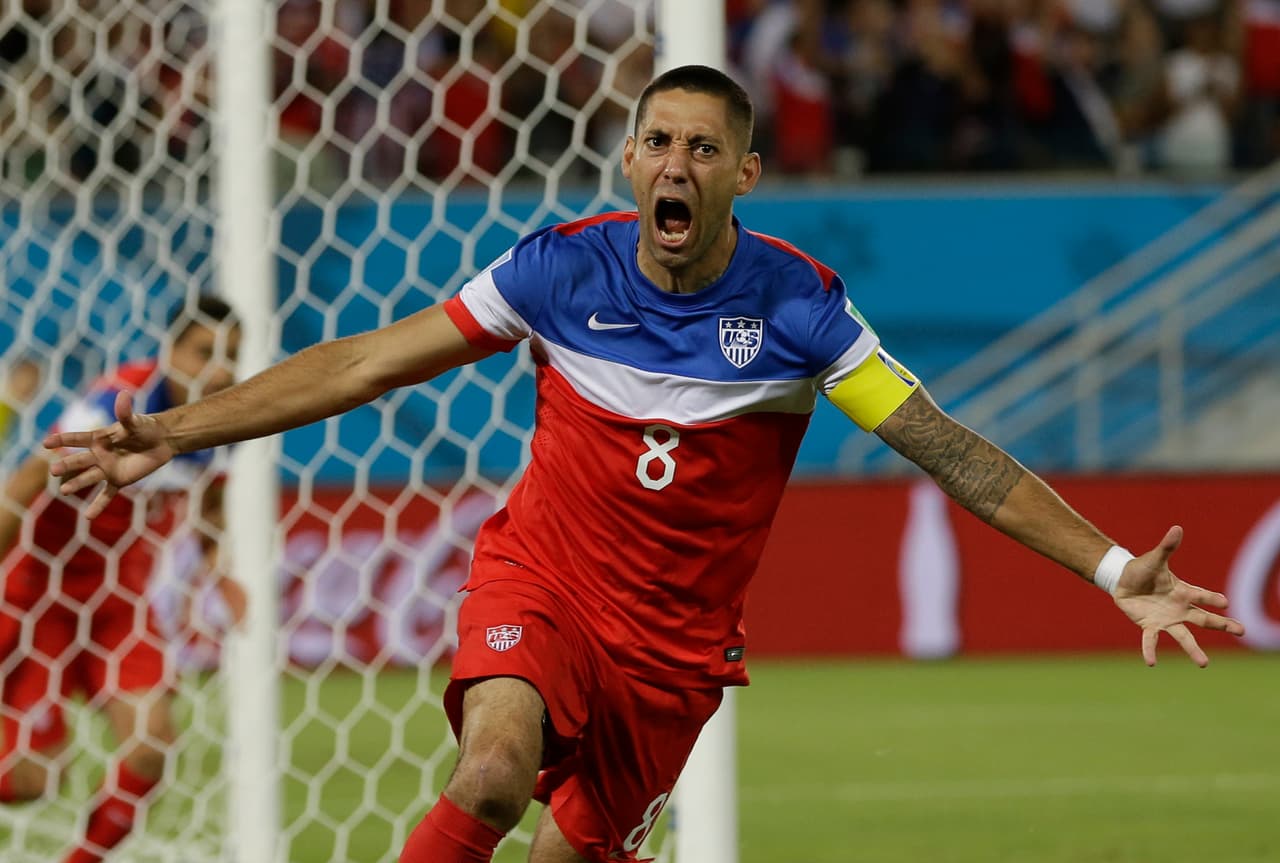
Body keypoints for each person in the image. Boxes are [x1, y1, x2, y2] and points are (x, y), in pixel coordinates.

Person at [44, 66, 1244, 863]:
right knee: (495, 767)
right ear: (629, 163)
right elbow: (366, 363)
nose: (674, 162)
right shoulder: (557, 271)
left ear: (741, 175)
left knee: (573, 849)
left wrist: (1110, 563)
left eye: (702, 146)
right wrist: (173, 431)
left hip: (671, 651)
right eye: (656, 141)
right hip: (543, 582)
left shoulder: (802, 312)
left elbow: (950, 452)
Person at [1, 294, 247, 863]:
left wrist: (218, 569)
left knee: (151, 748)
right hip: (40, 592)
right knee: (30, 784)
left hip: (118, 601)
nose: (218, 369)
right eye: (203, 352)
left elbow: (212, 500)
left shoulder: (227, 420)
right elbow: (24, 484)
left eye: (231, 355)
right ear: (170, 353)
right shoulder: (117, 405)